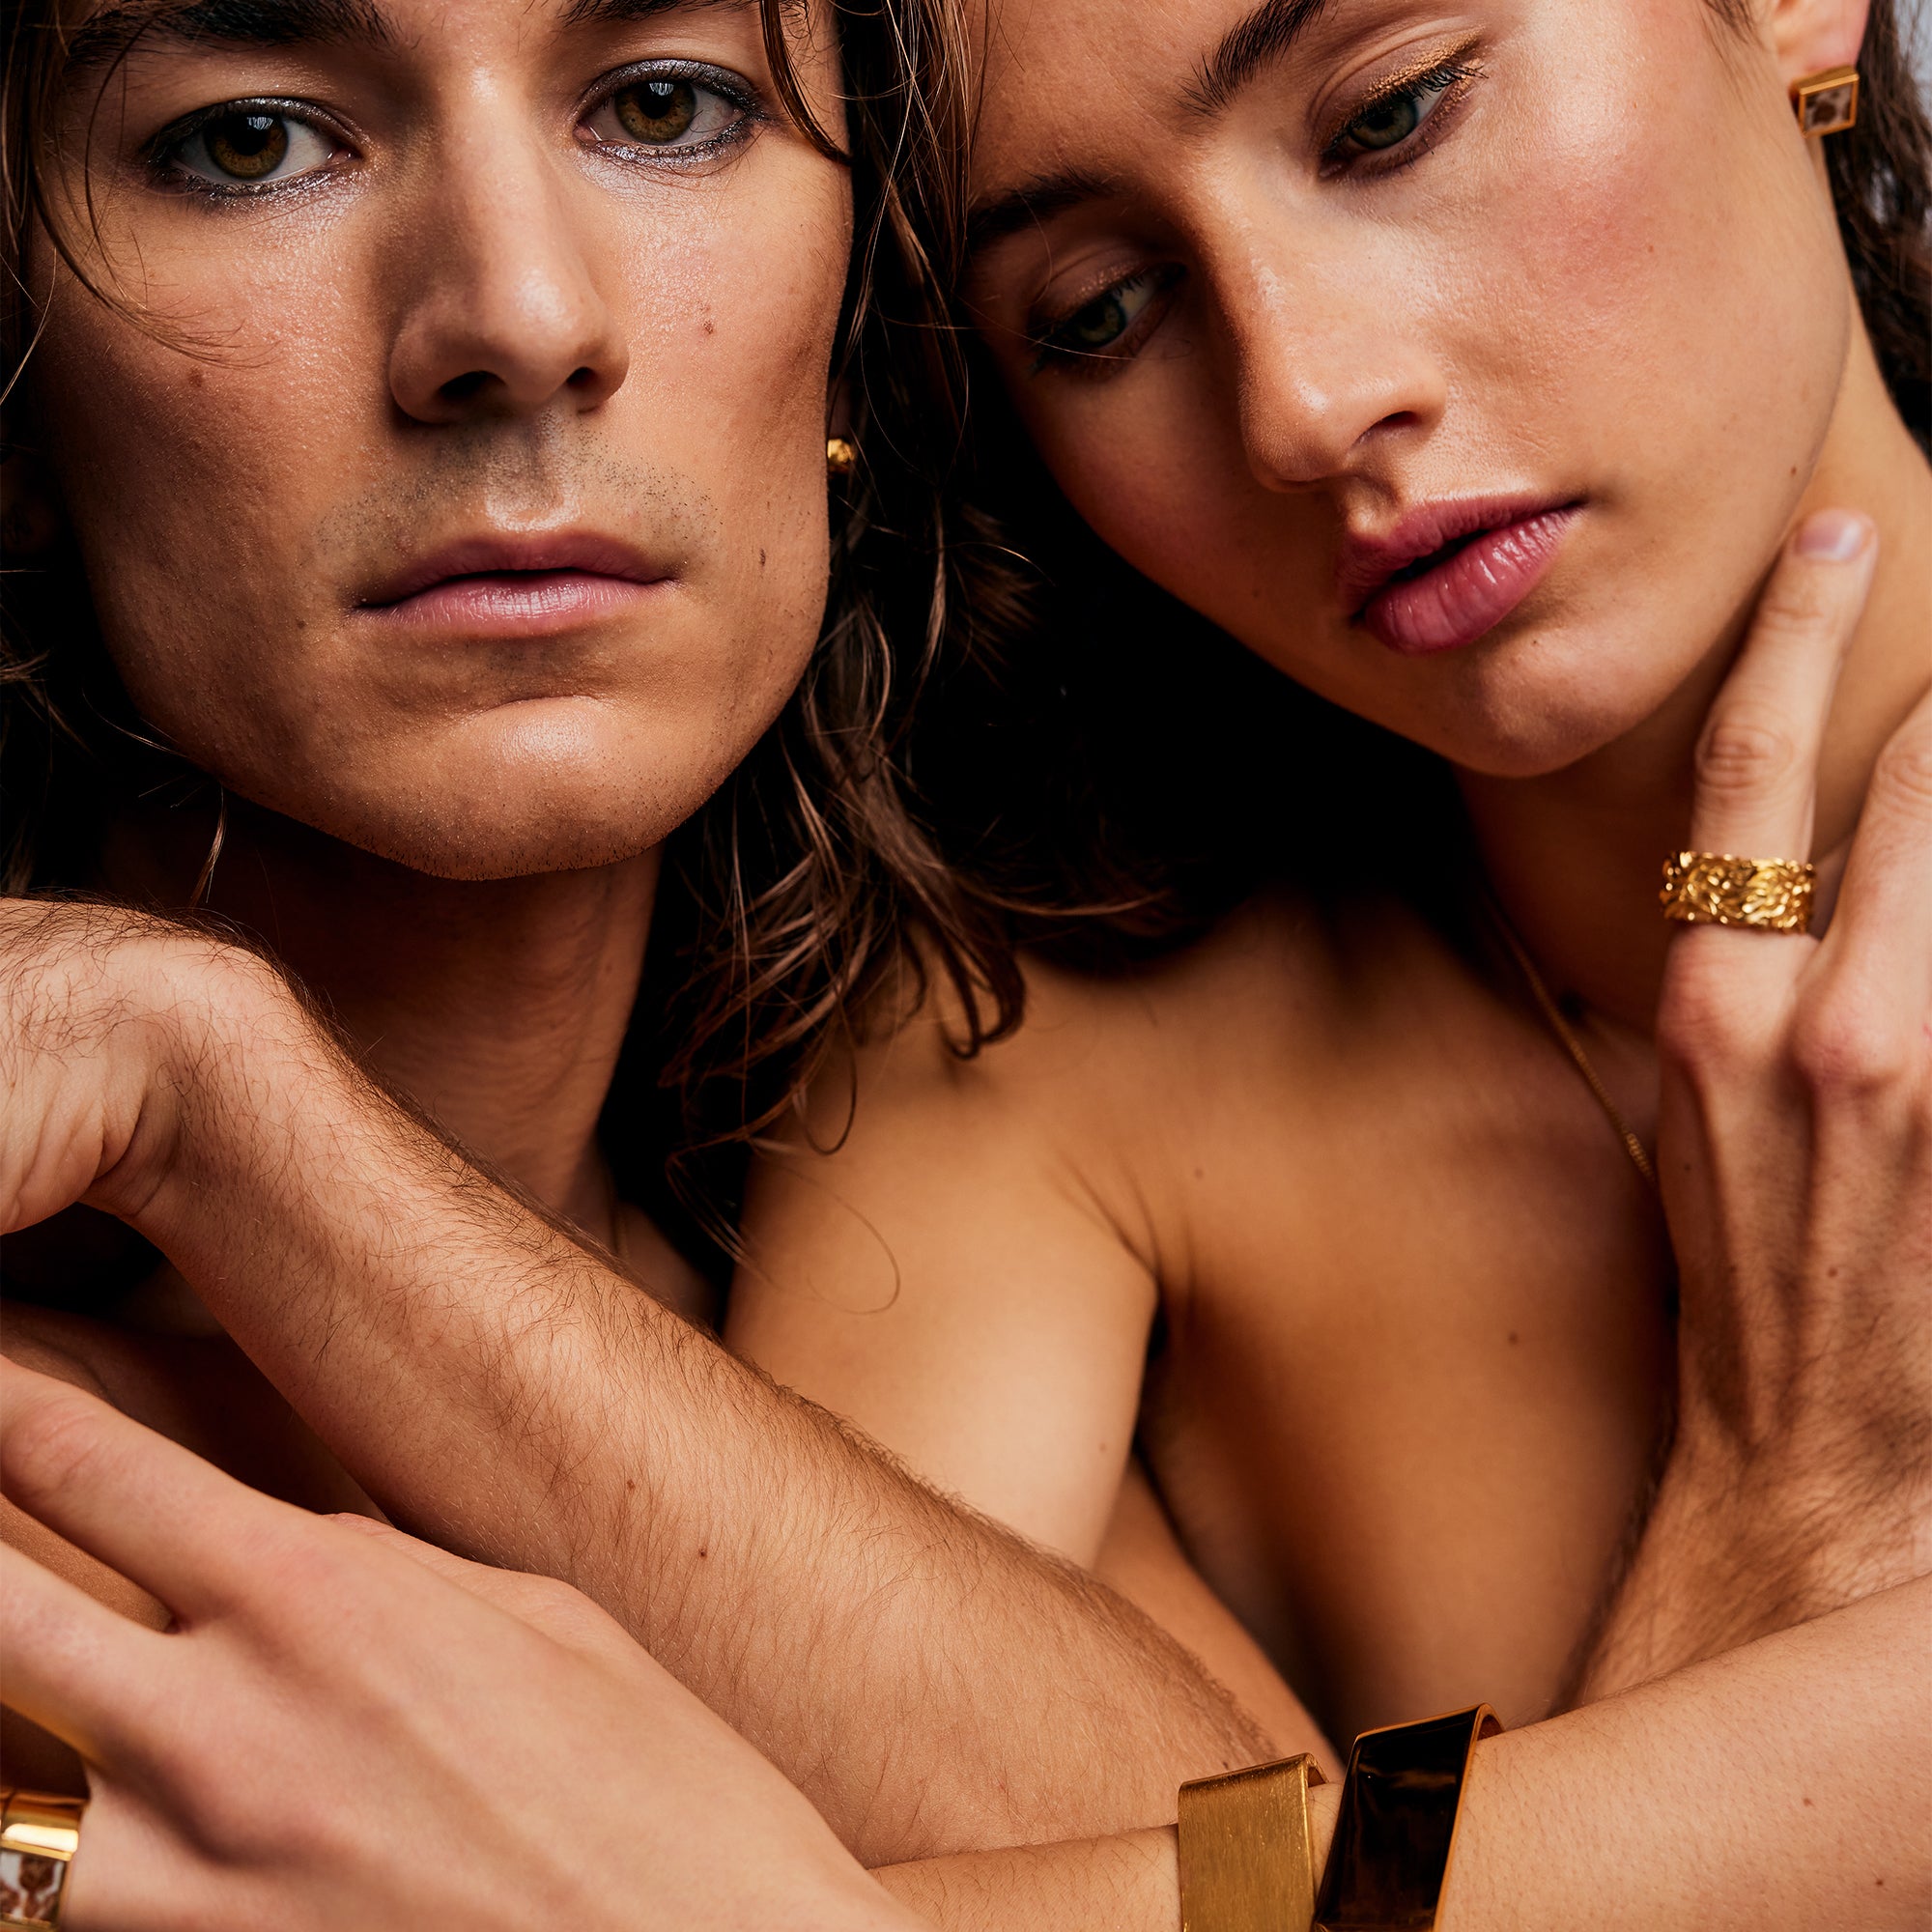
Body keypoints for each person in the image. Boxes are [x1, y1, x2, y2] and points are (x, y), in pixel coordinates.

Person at [0, 0, 1926, 1919]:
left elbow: (1225, 1884)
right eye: (243, 142)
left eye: (666, 104)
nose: (1302, 402)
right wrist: (1773, 1547)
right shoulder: (1022, 1071)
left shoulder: (913, 1134)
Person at [0, 0, 1265, 1860]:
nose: (518, 317)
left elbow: (1292, 1882)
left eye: (665, 107)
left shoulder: (893, 1241)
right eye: (249, 141)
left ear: (857, 333)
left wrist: (234, 1106)